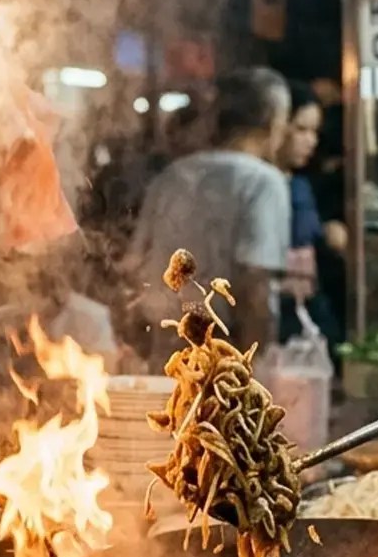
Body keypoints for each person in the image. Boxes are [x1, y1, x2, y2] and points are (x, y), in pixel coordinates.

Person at [129, 68, 291, 356]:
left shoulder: (172, 175)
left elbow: (135, 265)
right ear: (272, 121)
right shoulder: (263, 182)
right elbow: (256, 285)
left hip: (165, 350)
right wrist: (251, 368)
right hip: (225, 356)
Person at [278, 81, 342, 354]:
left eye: (315, 131)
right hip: (280, 314)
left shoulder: (302, 184)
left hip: (309, 307)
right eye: (301, 129)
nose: (311, 141)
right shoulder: (262, 186)